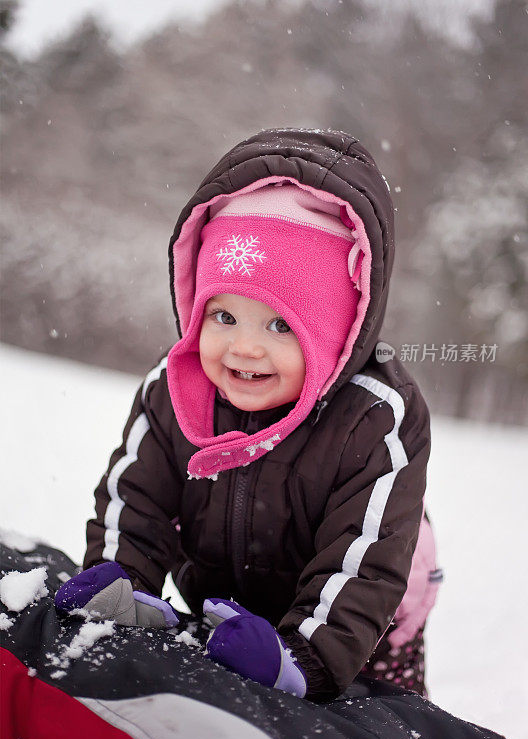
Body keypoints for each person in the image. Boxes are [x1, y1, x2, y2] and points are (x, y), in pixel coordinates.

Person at [55, 128, 442, 703]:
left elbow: (362, 563)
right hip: (225, 601)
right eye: (224, 317)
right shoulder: (174, 388)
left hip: (367, 626)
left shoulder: (375, 417)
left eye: (281, 325)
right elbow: (136, 498)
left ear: (337, 329)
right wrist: (122, 580)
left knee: (375, 722)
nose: (244, 349)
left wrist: (304, 660)